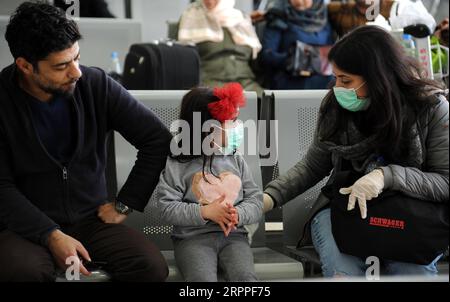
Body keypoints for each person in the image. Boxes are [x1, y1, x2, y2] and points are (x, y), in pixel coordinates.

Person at [0, 2, 171, 282]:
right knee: (23, 273)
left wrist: (125, 203)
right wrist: (50, 235)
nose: (76, 72)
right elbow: (2, 187)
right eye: (62, 66)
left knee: (150, 267)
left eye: (77, 58)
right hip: (22, 227)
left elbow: (157, 139)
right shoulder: (3, 101)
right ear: (25, 66)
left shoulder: (95, 85)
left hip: (90, 219)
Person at [263, 26, 448, 277]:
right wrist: (266, 199)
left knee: (412, 272)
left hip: (412, 217)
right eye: (336, 77)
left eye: (346, 80)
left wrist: (386, 176)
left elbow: (445, 181)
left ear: (378, 77)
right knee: (344, 272)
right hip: (344, 211)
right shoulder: (335, 107)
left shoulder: (431, 108)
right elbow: (312, 167)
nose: (337, 87)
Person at [155, 83, 263, 282]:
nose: (237, 127)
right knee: (202, 280)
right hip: (192, 240)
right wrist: (204, 212)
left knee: (245, 278)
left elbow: (256, 200)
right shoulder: (178, 163)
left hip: (234, 238)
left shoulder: (235, 158)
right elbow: (165, 207)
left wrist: (238, 213)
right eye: (232, 121)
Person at [178, 0, 263, 95]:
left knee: (270, 103)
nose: (209, 1)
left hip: (245, 84)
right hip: (209, 84)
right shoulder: (192, 18)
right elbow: (182, 61)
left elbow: (255, 60)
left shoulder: (241, 19)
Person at [261, 0, 334, 90]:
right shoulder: (278, 16)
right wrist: (294, 59)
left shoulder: (322, 16)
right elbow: (267, 55)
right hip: (291, 86)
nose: (299, 1)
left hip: (323, 86)